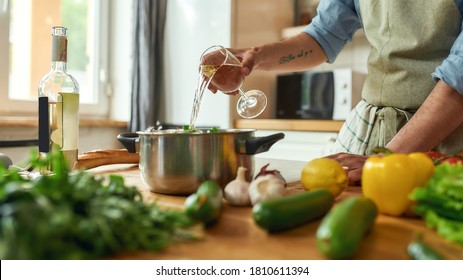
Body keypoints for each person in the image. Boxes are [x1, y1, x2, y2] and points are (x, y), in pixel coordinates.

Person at [210, 0, 463, 185]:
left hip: (445, 138)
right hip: (374, 133)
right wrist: (253, 57)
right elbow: (322, 35)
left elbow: (459, 77)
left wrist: (388, 159)